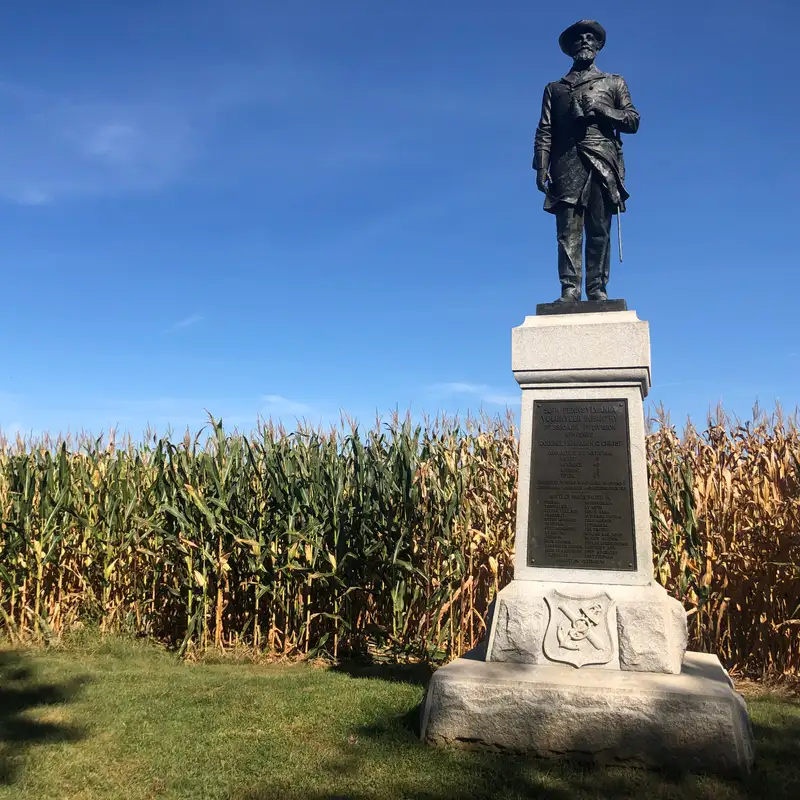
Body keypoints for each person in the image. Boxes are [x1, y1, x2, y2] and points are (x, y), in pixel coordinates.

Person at [534, 20, 640, 303]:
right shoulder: (554, 88)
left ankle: (597, 289)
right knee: (566, 232)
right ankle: (569, 290)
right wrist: (541, 166)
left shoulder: (614, 82)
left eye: (590, 37)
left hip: (601, 160)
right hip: (566, 164)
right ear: (570, 48)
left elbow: (632, 120)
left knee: (598, 229)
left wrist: (603, 110)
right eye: (578, 38)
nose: (584, 41)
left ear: (598, 45)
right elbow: (545, 129)